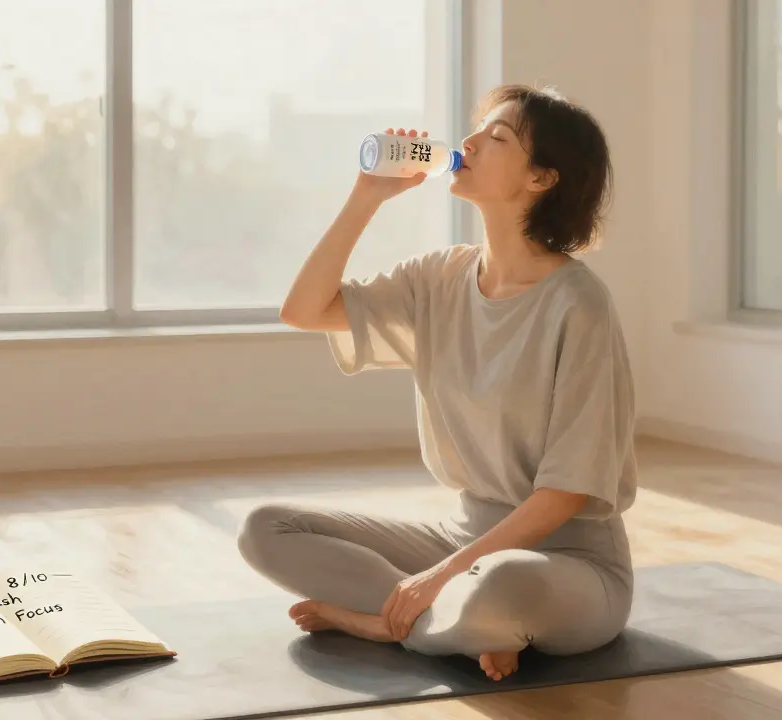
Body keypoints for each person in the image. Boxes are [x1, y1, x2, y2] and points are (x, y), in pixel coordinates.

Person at [236, 84, 637, 682]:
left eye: (497, 137)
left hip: (569, 561)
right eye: (478, 129)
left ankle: (386, 621)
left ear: (542, 179)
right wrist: (367, 196)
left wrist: (442, 576)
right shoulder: (440, 277)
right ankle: (455, 628)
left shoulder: (580, 304)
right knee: (265, 528)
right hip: (464, 535)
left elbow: (565, 495)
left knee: (500, 584)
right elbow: (303, 309)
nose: (470, 141)